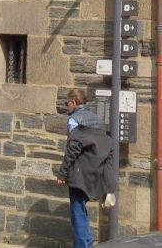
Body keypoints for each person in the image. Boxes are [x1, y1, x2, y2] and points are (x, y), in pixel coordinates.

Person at [55, 88, 116, 248]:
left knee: (78, 213)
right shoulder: (97, 119)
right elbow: (106, 148)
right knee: (81, 212)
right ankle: (86, 243)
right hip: (96, 171)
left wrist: (62, 173)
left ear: (74, 103)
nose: (67, 107)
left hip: (79, 173)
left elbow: (73, 148)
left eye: (67, 103)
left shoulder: (74, 120)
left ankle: (84, 245)